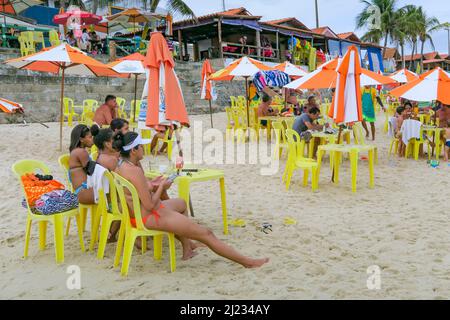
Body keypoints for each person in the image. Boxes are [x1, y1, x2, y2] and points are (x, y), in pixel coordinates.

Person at [114, 131, 269, 267]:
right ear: (133, 150)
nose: (143, 148)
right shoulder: (134, 171)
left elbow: (136, 189)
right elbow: (149, 205)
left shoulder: (122, 165)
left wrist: (152, 185)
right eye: (141, 146)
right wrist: (162, 187)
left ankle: (187, 247)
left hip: (139, 214)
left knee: (181, 203)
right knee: (207, 233)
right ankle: (248, 263)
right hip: (148, 216)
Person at [68, 124, 96, 204]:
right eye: (90, 137)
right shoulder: (81, 152)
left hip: (79, 192)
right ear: (81, 139)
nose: (92, 140)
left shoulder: (76, 151)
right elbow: (92, 171)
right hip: (84, 193)